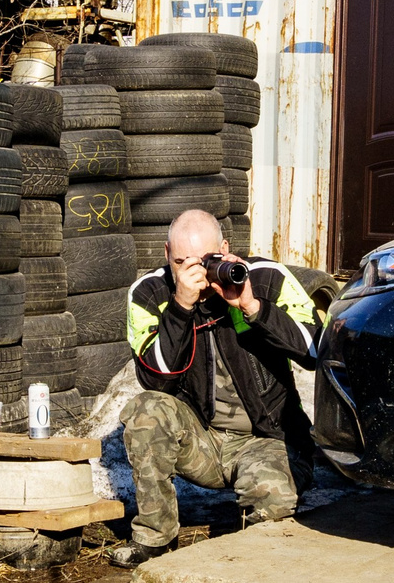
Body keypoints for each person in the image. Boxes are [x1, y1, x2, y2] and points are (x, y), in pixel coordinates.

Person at [113, 210, 320, 564]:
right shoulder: (150, 292)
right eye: (181, 262)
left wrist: (253, 307)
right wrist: (180, 307)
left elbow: (317, 349)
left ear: (225, 249)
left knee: (272, 496)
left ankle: (244, 555)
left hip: (267, 439)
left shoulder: (268, 278)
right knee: (146, 410)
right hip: (203, 441)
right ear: (166, 255)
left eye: (206, 261)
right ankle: (155, 537)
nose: (195, 273)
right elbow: (156, 379)